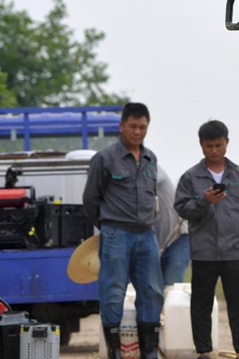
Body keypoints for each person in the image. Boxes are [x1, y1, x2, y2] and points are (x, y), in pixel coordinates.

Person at [82, 102, 164, 359]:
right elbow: (90, 200)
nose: (137, 132)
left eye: (142, 127)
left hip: (146, 235)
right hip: (116, 233)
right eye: (132, 126)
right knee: (113, 291)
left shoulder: (151, 158)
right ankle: (115, 352)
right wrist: (107, 226)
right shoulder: (104, 158)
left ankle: (149, 352)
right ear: (121, 126)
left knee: (152, 291)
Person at [174, 120, 239, 359]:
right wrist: (204, 201)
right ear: (201, 145)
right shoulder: (191, 177)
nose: (214, 150)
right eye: (209, 145)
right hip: (204, 252)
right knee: (201, 305)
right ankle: (204, 352)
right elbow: (181, 208)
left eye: (218, 145)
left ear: (227, 143)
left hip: (235, 251)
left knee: (238, 303)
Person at [155, 165, 191, 286]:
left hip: (178, 236)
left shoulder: (152, 169)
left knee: (171, 285)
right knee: (151, 288)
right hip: (153, 243)